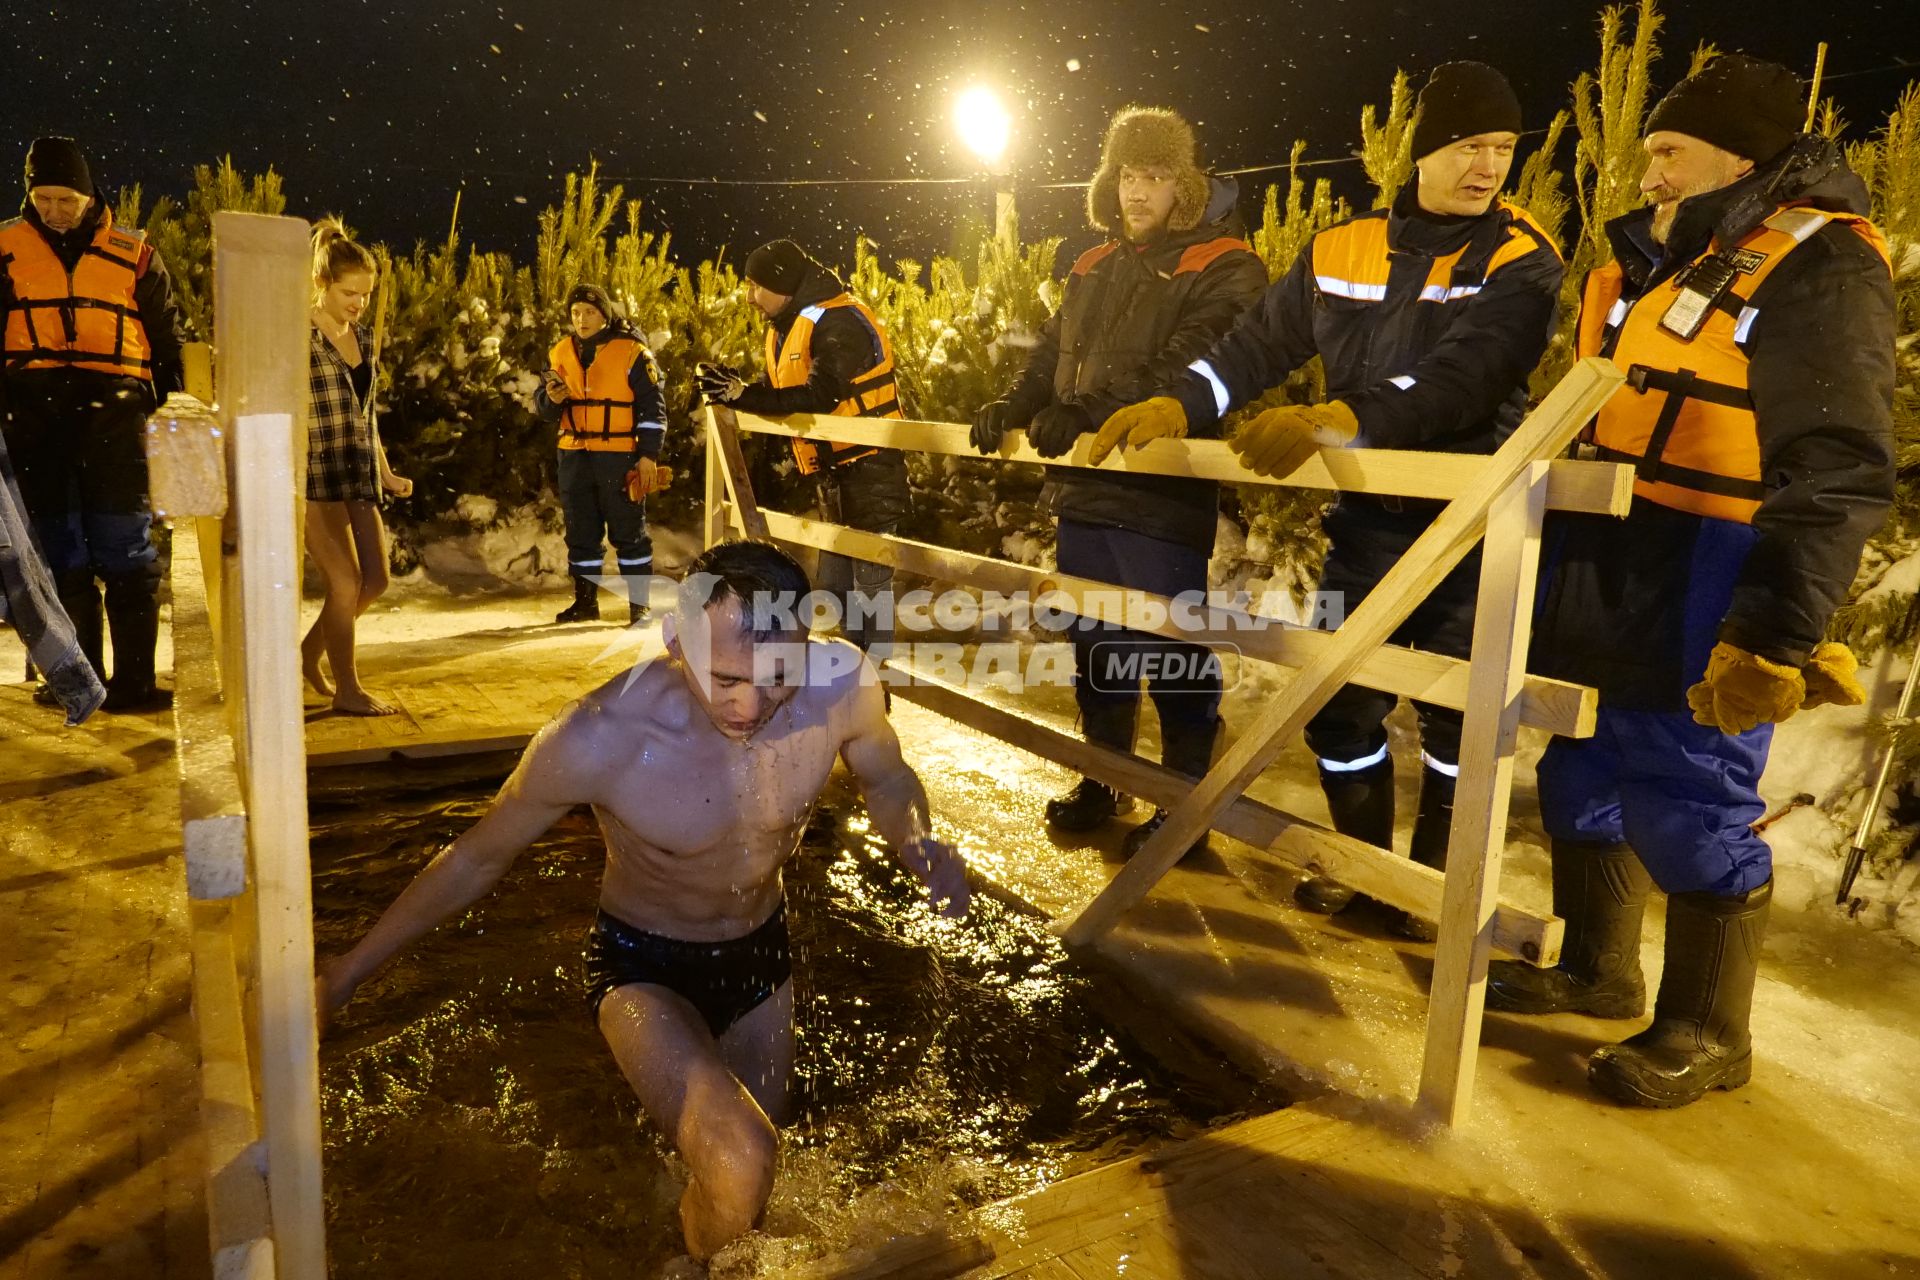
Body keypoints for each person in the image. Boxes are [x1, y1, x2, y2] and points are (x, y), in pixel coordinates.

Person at [316, 539, 971, 1263]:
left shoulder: (842, 685)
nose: (749, 706)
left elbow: (886, 777)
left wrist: (920, 844)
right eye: (724, 678)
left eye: (775, 676)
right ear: (674, 641)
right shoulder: (601, 735)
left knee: (751, 1174)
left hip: (763, 958)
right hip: (643, 965)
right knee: (741, 1158)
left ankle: (684, 1243)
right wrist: (348, 971)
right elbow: (479, 855)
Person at [1487, 56, 1896, 1108]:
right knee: (1581, 770)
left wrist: (1775, 629)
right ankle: (1597, 968)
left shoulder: (1819, 262)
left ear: (1738, 151)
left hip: (1714, 558)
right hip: (1612, 548)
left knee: (1686, 797)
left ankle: (1711, 1031)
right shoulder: (1663, 260)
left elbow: (1841, 462)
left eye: (1667, 148)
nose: (1648, 167)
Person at [1098, 63, 1565, 936]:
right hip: (1367, 527)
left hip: (1476, 527)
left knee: (1457, 722)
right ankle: (1365, 870)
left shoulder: (1519, 258)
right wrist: (1184, 399)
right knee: (1342, 704)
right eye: (1470, 146)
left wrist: (1341, 416)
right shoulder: (1341, 247)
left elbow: (1463, 382)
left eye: (1504, 149)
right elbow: (1252, 348)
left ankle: (1428, 891)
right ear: (1424, 151)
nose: (1489, 167)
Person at [969, 106, 1268, 859]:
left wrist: (1086, 411)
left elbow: (1186, 363)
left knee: (1171, 647)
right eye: (1130, 175)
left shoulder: (1223, 263)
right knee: (1097, 641)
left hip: (1161, 491)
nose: (1140, 192)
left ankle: (1183, 802)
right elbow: (1050, 354)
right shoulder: (1092, 263)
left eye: (1158, 177)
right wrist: (1016, 402)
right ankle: (1103, 777)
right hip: (1088, 486)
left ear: (1186, 188)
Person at [0, 136, 189, 712]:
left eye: (66, 198)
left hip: (116, 418)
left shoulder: (135, 252)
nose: (55, 210)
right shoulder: (5, 247)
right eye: (44, 197)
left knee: (126, 553)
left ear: (89, 194)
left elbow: (165, 339)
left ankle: (136, 684)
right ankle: (77, 682)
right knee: (61, 558)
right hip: (34, 419)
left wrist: (174, 403)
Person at [695, 240, 911, 656]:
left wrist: (745, 397)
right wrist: (740, 391)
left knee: (869, 583)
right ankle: (843, 684)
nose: (750, 298)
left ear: (782, 284)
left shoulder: (840, 321)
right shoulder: (791, 325)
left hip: (871, 468)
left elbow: (819, 394)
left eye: (757, 286)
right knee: (835, 584)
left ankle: (874, 686)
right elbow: (784, 394)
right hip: (834, 471)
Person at [301, 219, 412, 715]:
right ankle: (348, 688)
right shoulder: (297, 336)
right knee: (344, 582)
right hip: (313, 475)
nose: (358, 304)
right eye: (350, 293)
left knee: (377, 581)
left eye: (366, 295)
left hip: (359, 471)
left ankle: (307, 653)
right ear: (323, 283)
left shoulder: (364, 340)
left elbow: (365, 414)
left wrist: (385, 470)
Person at [534, 283, 668, 626]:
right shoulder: (560, 352)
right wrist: (554, 398)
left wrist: (648, 455)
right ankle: (585, 603)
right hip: (574, 455)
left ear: (605, 314)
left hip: (619, 454)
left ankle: (640, 607)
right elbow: (544, 409)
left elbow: (653, 408)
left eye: (590, 312)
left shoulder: (633, 352)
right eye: (576, 313)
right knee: (580, 531)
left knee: (628, 531)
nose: (582, 319)